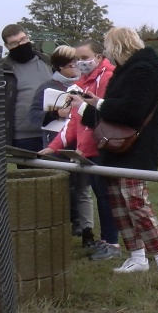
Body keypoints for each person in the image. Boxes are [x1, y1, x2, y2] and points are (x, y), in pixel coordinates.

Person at [79, 27, 158, 280]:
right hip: (116, 148)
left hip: (135, 148)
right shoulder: (125, 70)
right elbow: (112, 113)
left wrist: (96, 104)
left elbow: (132, 111)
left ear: (118, 45)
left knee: (136, 205)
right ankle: (136, 257)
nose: (107, 51)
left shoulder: (144, 69)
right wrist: (82, 109)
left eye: (108, 46)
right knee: (119, 205)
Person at [41, 39, 119, 256]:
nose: (81, 63)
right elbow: (73, 122)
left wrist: (84, 105)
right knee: (99, 194)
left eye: (85, 58)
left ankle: (111, 241)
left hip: (104, 145)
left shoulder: (108, 78)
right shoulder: (83, 82)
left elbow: (102, 113)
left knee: (106, 196)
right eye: (78, 59)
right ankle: (107, 240)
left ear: (99, 56)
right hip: (88, 150)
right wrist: (54, 147)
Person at [29, 45, 93, 243]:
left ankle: (87, 231)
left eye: (76, 63)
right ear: (59, 67)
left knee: (83, 189)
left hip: (81, 144)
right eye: (70, 64)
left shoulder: (85, 86)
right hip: (56, 145)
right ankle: (59, 230)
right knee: (62, 188)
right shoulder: (47, 87)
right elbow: (33, 115)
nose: (75, 68)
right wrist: (56, 113)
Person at [2, 24, 52, 152]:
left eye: (23, 40)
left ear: (28, 38)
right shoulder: (4, 69)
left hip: (51, 130)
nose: (20, 45)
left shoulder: (47, 62)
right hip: (23, 137)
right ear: (7, 46)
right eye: (14, 43)